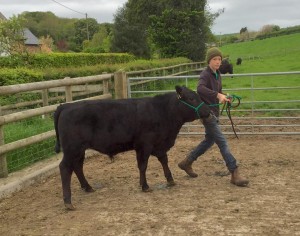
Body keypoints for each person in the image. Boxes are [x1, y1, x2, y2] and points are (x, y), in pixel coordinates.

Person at [178, 47, 249, 187]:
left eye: (219, 59)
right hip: (207, 114)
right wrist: (218, 95)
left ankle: (187, 162)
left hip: (214, 112)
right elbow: (200, 88)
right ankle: (234, 172)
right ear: (209, 61)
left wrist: (224, 96)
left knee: (209, 141)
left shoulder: (217, 74)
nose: (218, 62)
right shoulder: (205, 74)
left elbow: (218, 91)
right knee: (222, 142)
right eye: (215, 59)